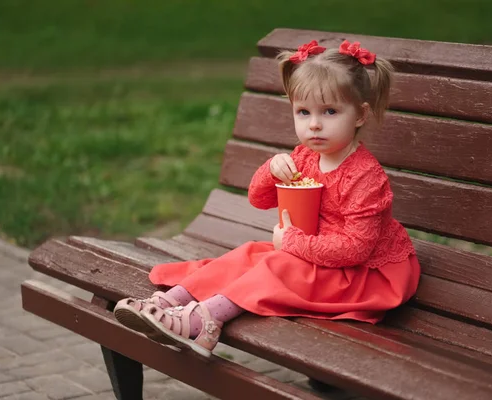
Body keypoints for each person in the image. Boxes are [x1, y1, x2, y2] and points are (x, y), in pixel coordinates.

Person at [114, 39, 420, 358]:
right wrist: (271, 171)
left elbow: (356, 248)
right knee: (249, 254)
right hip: (317, 253)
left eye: (330, 111)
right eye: (304, 112)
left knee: (277, 264)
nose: (314, 123)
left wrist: (291, 243)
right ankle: (170, 301)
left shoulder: (364, 176)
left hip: (366, 275)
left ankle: (204, 321)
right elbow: (259, 199)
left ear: (360, 115)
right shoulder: (304, 157)